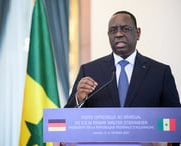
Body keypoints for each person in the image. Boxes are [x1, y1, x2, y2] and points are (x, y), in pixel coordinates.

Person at [64, 11, 180, 146]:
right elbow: (68, 119)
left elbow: (175, 120)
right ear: (108, 35)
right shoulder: (89, 71)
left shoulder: (160, 72)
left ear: (137, 33)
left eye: (125, 29)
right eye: (113, 30)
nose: (118, 34)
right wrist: (79, 98)